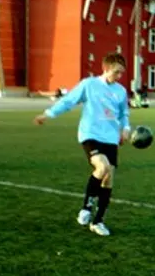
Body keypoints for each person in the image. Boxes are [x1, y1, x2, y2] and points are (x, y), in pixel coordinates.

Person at [32, 53, 131, 237]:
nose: (119, 76)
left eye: (121, 73)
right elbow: (68, 101)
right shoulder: (89, 84)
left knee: (108, 178)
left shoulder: (121, 91)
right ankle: (86, 208)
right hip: (90, 134)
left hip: (110, 138)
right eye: (117, 72)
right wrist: (47, 114)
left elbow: (124, 113)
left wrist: (125, 129)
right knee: (102, 167)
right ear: (106, 69)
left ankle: (98, 221)